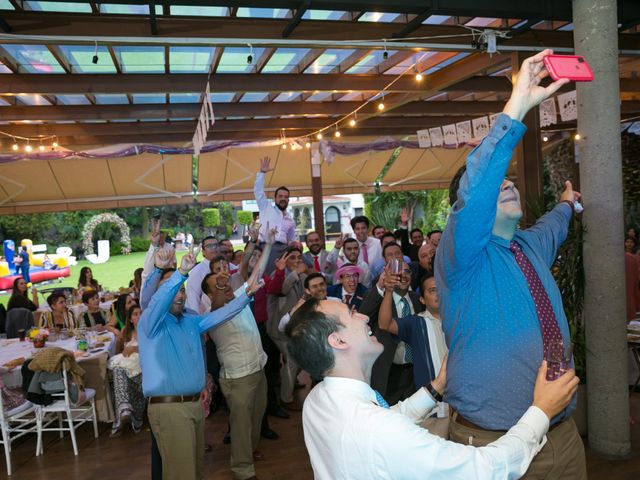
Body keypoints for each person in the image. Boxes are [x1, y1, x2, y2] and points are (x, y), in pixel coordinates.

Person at [435, 49, 587, 477]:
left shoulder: (529, 245)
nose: (507, 184)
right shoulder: (462, 257)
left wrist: (568, 206)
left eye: (510, 182)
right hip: (493, 443)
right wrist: (518, 102)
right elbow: (479, 185)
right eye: (496, 185)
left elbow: (555, 224)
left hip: (561, 435)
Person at [284, 298, 579, 480]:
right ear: (338, 341)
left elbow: (387, 419)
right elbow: (485, 469)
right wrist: (542, 410)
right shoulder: (376, 430)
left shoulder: (318, 399)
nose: (363, 316)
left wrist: (436, 387)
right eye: (352, 314)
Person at [138, 245, 262, 480]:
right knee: (182, 474)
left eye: (182, 290)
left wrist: (247, 295)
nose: (180, 294)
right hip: (170, 409)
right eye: (173, 290)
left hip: (194, 406)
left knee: (194, 471)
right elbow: (154, 301)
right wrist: (180, 274)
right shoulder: (150, 323)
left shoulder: (191, 320)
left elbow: (220, 315)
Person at [203, 241, 271, 480]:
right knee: (241, 426)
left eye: (225, 281)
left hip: (258, 369)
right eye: (218, 285)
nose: (225, 285)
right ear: (210, 294)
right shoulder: (213, 314)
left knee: (256, 416)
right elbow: (219, 304)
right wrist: (221, 289)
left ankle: (250, 451)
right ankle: (242, 469)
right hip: (237, 378)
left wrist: (268, 243)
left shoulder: (239, 297)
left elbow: (256, 272)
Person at [378, 271, 448, 437]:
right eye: (432, 290)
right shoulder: (416, 323)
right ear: (422, 300)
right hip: (434, 408)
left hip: (464, 406)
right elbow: (384, 324)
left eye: (441, 289)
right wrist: (388, 291)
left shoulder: (460, 319)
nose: (438, 293)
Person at [360, 260, 422, 405]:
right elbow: (363, 316)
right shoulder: (379, 299)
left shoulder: (418, 299)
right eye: (398, 272)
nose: (403, 275)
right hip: (388, 372)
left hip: (414, 372)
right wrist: (382, 287)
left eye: (407, 271)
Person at [266, 246, 306, 411]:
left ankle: (287, 382)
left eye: (299, 258)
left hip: (295, 328)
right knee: (293, 360)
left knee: (300, 359)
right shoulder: (278, 275)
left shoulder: (302, 276)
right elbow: (282, 290)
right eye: (292, 258)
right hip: (278, 329)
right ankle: (286, 398)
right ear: (284, 260)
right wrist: (296, 273)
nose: (296, 261)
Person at [255, 157, 297, 273]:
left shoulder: (290, 220)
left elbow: (292, 239)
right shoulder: (266, 207)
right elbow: (258, 191)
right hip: (266, 247)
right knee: (265, 276)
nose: (283, 199)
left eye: (286, 197)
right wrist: (262, 173)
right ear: (275, 198)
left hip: (284, 249)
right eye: (280, 196)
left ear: (288, 200)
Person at [109, 305, 144, 437]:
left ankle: (125, 412)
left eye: (140, 313)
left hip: (141, 373)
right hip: (127, 369)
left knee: (119, 373)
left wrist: (134, 349)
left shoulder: (147, 332)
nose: (139, 316)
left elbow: (153, 350)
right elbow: (120, 353)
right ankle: (125, 411)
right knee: (118, 370)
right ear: (130, 319)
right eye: (135, 314)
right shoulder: (126, 332)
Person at [184, 236, 219, 314]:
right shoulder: (197, 271)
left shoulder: (226, 266)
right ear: (203, 251)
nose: (214, 248)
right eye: (210, 246)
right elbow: (193, 298)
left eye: (216, 245)